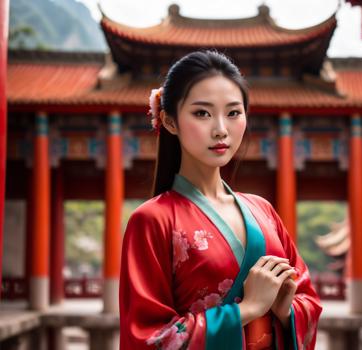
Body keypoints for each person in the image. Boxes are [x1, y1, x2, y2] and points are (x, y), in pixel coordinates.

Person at [119, 49, 322, 350]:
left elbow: (308, 299)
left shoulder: (262, 210)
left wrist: (285, 309)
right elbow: (148, 337)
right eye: (202, 113)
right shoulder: (152, 220)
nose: (221, 130)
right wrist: (247, 310)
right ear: (169, 121)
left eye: (233, 113)